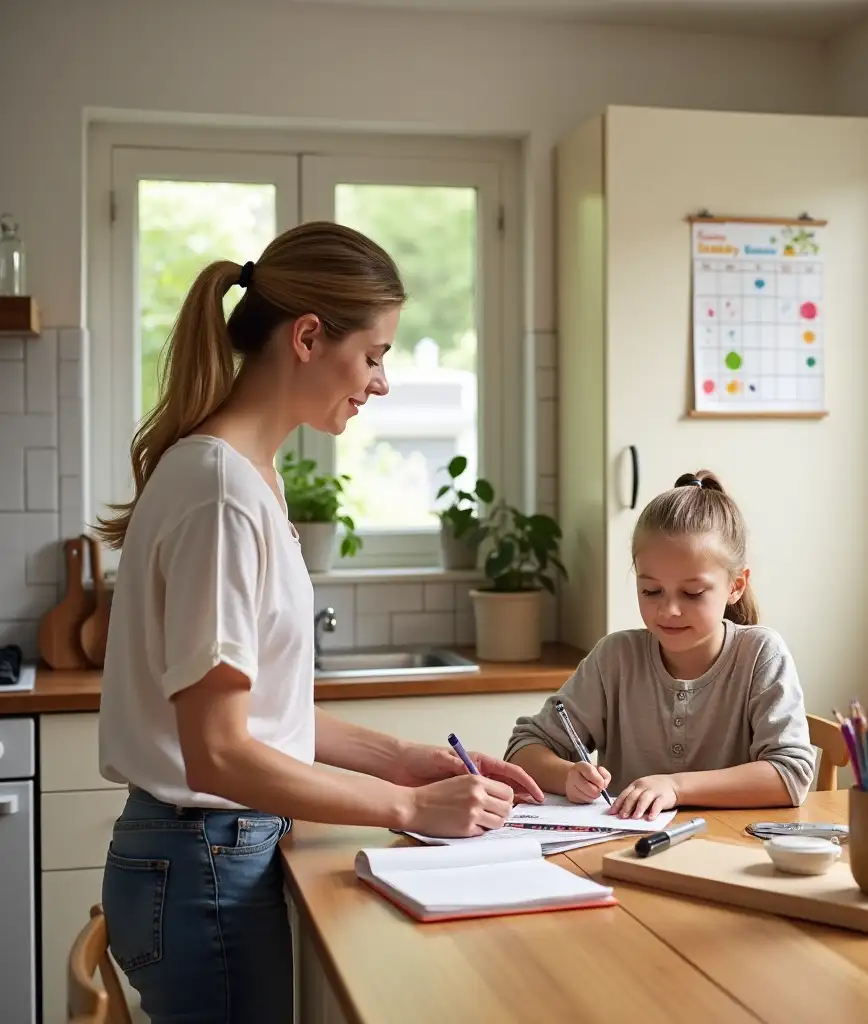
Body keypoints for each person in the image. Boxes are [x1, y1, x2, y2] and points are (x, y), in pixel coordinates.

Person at [96, 221, 543, 1024]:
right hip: (203, 862)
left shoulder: (242, 476)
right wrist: (406, 810)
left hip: (202, 858)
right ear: (308, 336)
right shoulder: (222, 493)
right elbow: (219, 751)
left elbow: (261, 718)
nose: (380, 384)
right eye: (373, 355)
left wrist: (406, 762)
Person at [506, 470, 814, 821]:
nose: (668, 610)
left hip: (731, 852)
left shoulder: (761, 653)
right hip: (628, 851)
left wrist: (676, 787)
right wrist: (566, 775)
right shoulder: (615, 658)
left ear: (736, 585)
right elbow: (522, 749)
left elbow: (790, 775)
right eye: (650, 590)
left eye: (693, 592)